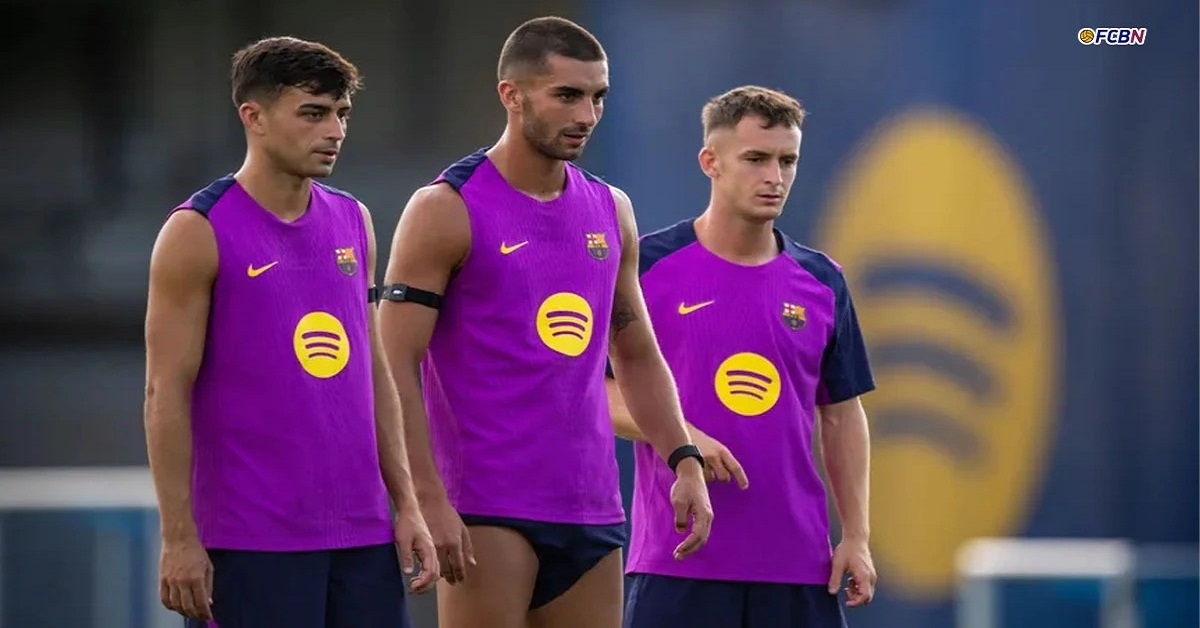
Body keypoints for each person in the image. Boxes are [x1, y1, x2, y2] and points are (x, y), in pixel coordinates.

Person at [377, 15, 713, 628]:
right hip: (488, 507)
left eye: (598, 97)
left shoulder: (611, 209)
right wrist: (425, 498)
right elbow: (392, 363)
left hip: (591, 506)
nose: (587, 114)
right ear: (512, 95)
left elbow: (636, 352)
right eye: (567, 95)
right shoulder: (446, 208)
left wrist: (682, 458)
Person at [143, 36, 437, 627]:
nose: (335, 131)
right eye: (313, 113)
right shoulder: (197, 230)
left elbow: (372, 370)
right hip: (250, 541)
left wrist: (406, 504)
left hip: (362, 536)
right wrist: (178, 537)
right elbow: (164, 392)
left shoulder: (353, 219)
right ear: (253, 116)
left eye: (341, 114)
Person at [607, 85, 878, 628]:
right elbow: (599, 391)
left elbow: (842, 413)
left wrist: (856, 535)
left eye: (787, 160)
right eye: (756, 158)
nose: (775, 176)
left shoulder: (822, 281)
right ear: (711, 161)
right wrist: (681, 438)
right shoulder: (646, 267)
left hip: (800, 567)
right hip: (680, 560)